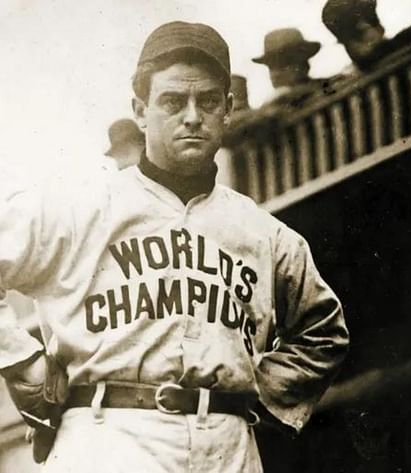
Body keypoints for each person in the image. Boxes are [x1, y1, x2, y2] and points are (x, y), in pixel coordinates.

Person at [0, 21, 348, 472]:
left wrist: (258, 392)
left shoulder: (265, 234)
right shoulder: (79, 208)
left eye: (207, 102)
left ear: (227, 108)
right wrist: (21, 361)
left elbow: (323, 332)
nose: (191, 116)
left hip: (226, 444)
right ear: (141, 111)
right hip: (110, 432)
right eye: (171, 101)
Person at [321, 0, 411, 73]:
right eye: (373, 19)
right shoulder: (402, 57)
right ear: (363, 25)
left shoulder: (355, 87)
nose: (381, 28)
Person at [252, 28, 321, 106]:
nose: (275, 75)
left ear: (304, 65)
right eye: (271, 67)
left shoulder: (327, 90)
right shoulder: (274, 106)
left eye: (282, 65)